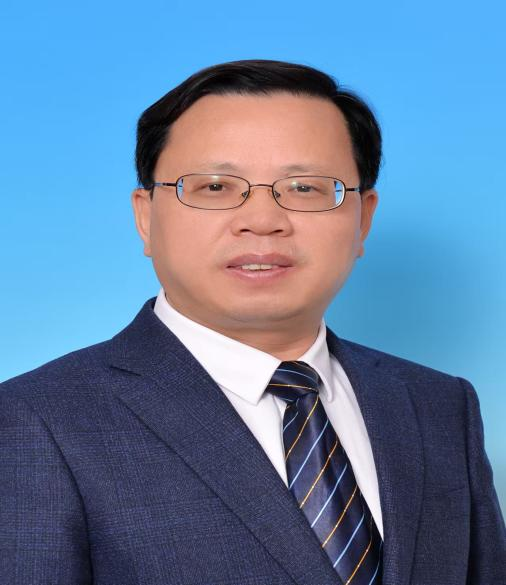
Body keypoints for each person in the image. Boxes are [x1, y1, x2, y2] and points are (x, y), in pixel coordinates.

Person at [0, 59, 504, 585]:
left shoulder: (438, 405)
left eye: (305, 188)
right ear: (146, 217)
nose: (262, 221)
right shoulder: (35, 421)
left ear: (363, 219)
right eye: (215, 187)